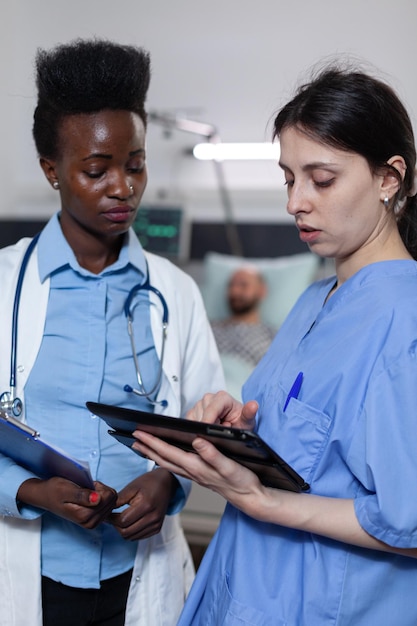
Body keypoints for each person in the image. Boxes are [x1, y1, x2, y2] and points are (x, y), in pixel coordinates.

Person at [132, 64, 417, 625]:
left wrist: (267, 501)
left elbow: (408, 522)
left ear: (390, 178)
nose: (296, 203)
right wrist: (239, 434)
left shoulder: (403, 319)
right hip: (245, 588)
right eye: (289, 179)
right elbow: (317, 444)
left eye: (322, 180)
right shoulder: (315, 300)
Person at [0, 39, 224, 626]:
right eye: (96, 170)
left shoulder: (175, 293)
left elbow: (207, 425)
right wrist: (27, 492)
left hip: (141, 575)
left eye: (135, 164)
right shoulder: (3, 285)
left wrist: (168, 482)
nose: (122, 187)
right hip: (30, 571)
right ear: (52, 171)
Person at [211, 265, 276, 367]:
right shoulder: (208, 328)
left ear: (262, 291)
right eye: (231, 285)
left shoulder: (272, 337)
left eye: (243, 285)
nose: (234, 291)